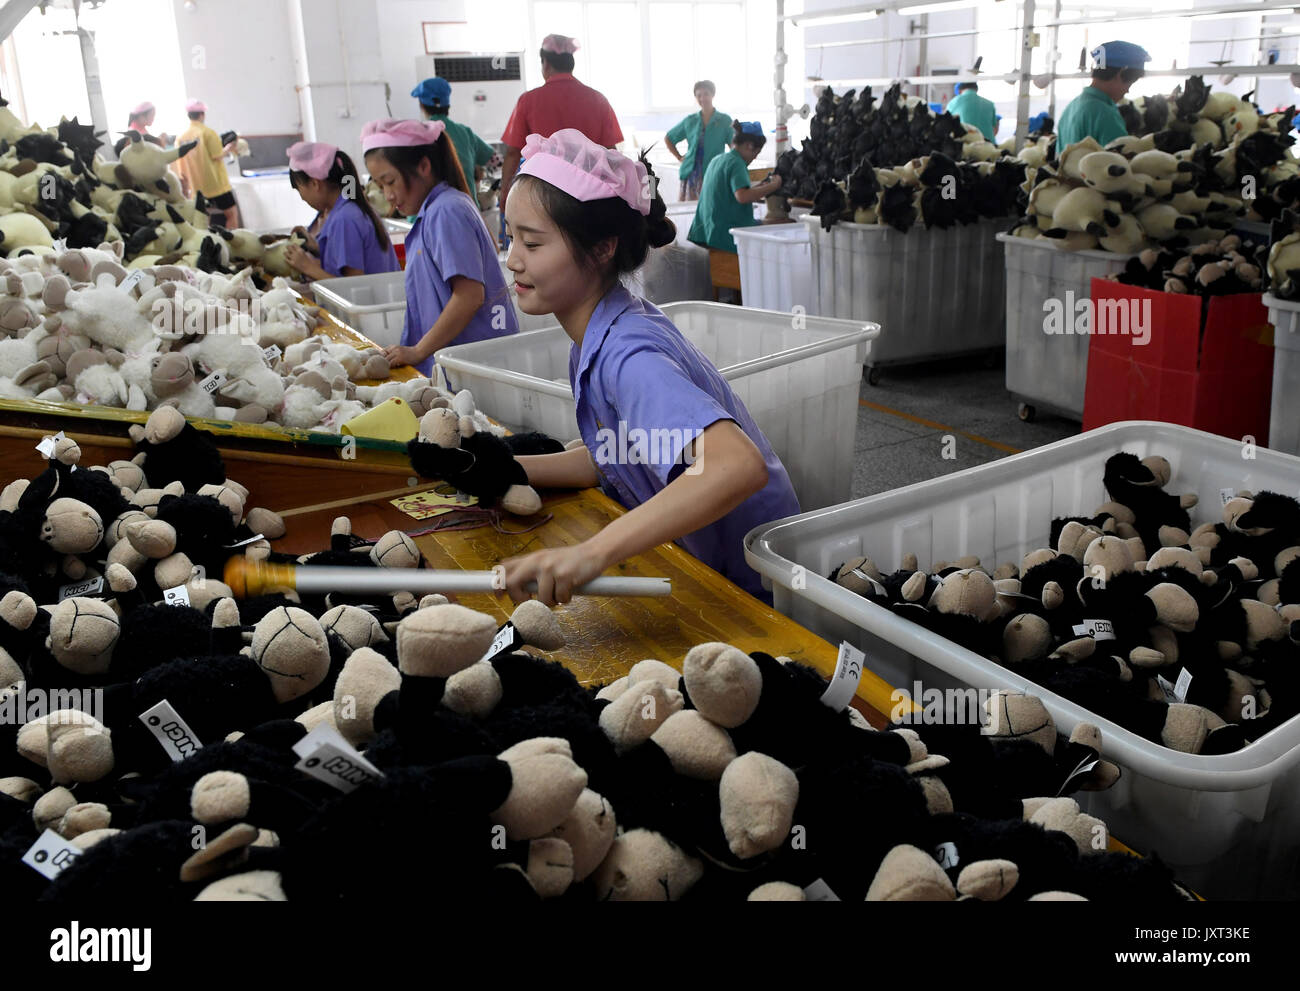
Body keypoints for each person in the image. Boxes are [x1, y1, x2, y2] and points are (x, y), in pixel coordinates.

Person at [498, 128, 800, 605]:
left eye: (532, 244)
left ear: (602, 248)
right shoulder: (599, 334)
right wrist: (503, 468)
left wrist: (590, 554)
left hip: (750, 589)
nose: (512, 259)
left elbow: (736, 464)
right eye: (509, 236)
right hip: (705, 567)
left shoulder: (627, 355)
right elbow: (617, 456)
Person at [362, 118, 517, 375]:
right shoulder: (436, 210)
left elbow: (469, 296)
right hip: (459, 363)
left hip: (474, 368)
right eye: (380, 186)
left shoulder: (447, 210)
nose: (388, 195)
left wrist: (418, 351)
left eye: (390, 181)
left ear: (423, 166)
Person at [497, 33, 623, 212]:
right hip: (590, 197)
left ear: (546, 63)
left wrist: (505, 193)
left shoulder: (528, 101)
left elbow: (512, 153)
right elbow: (611, 152)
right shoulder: (598, 99)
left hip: (544, 197)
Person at [282, 141, 399, 281]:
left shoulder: (345, 218)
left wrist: (307, 267)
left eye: (299, 189)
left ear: (315, 183)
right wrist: (316, 248)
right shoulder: (348, 209)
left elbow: (354, 286)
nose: (302, 198)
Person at [687, 121, 782, 254]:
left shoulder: (718, 160)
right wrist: (774, 186)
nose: (754, 158)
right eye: (756, 153)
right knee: (786, 222)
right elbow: (742, 196)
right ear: (749, 146)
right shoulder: (737, 163)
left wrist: (760, 187)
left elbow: (729, 192)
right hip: (727, 234)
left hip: (706, 231)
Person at [1056, 41, 1150, 148]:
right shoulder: (1105, 114)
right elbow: (1118, 161)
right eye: (1130, 84)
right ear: (1120, 74)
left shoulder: (1072, 106)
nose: (1127, 91)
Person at [411, 76, 496, 184]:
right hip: (468, 200)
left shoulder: (420, 134)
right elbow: (496, 161)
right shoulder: (465, 132)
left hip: (441, 200)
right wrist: (476, 169)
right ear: (448, 105)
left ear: (421, 105)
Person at [175, 99, 241, 229]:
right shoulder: (208, 133)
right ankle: (232, 245)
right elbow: (217, 155)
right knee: (231, 214)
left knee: (203, 220)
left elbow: (180, 166)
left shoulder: (180, 137)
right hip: (216, 185)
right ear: (202, 114)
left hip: (196, 187)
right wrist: (228, 148)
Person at [665, 80, 733, 202]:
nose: (702, 98)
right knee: (689, 211)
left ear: (713, 95)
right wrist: (679, 157)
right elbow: (669, 138)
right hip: (691, 174)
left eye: (706, 94)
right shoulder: (690, 120)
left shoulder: (724, 120)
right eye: (699, 95)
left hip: (714, 172)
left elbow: (734, 144)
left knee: (712, 206)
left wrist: (730, 163)